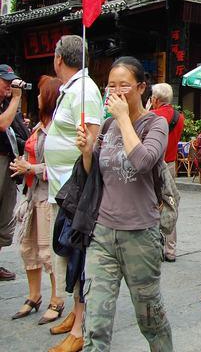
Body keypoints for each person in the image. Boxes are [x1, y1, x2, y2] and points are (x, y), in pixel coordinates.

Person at [74, 57, 172, 350]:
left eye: (124, 86)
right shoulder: (106, 125)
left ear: (142, 87)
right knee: (96, 320)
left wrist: (123, 119)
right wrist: (88, 152)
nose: (115, 92)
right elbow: (96, 177)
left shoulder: (155, 124)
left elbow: (142, 162)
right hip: (103, 233)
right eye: (111, 86)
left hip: (140, 235)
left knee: (150, 317)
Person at [45, 35, 104, 351]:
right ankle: (74, 312)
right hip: (61, 191)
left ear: (58, 59)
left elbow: (91, 145)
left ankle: (80, 328)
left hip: (76, 194)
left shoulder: (85, 91)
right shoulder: (71, 90)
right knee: (68, 258)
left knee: (78, 257)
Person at [8, 76, 61, 322]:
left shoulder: (58, 130)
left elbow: (61, 166)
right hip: (31, 195)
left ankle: (56, 299)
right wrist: (23, 165)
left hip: (47, 197)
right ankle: (34, 296)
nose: (37, 97)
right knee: (27, 248)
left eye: (41, 93)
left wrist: (31, 168)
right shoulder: (39, 126)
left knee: (47, 251)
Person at [0, 63, 29, 283]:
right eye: (6, 82)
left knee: (4, 217)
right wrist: (16, 99)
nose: (10, 86)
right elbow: (2, 124)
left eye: (12, 82)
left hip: (7, 163)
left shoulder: (5, 104)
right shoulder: (9, 104)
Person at [149, 83, 184, 262]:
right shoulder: (180, 117)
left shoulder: (151, 116)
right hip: (171, 164)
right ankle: (171, 249)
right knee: (170, 204)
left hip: (154, 165)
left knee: (152, 204)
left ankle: (154, 246)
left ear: (155, 99)